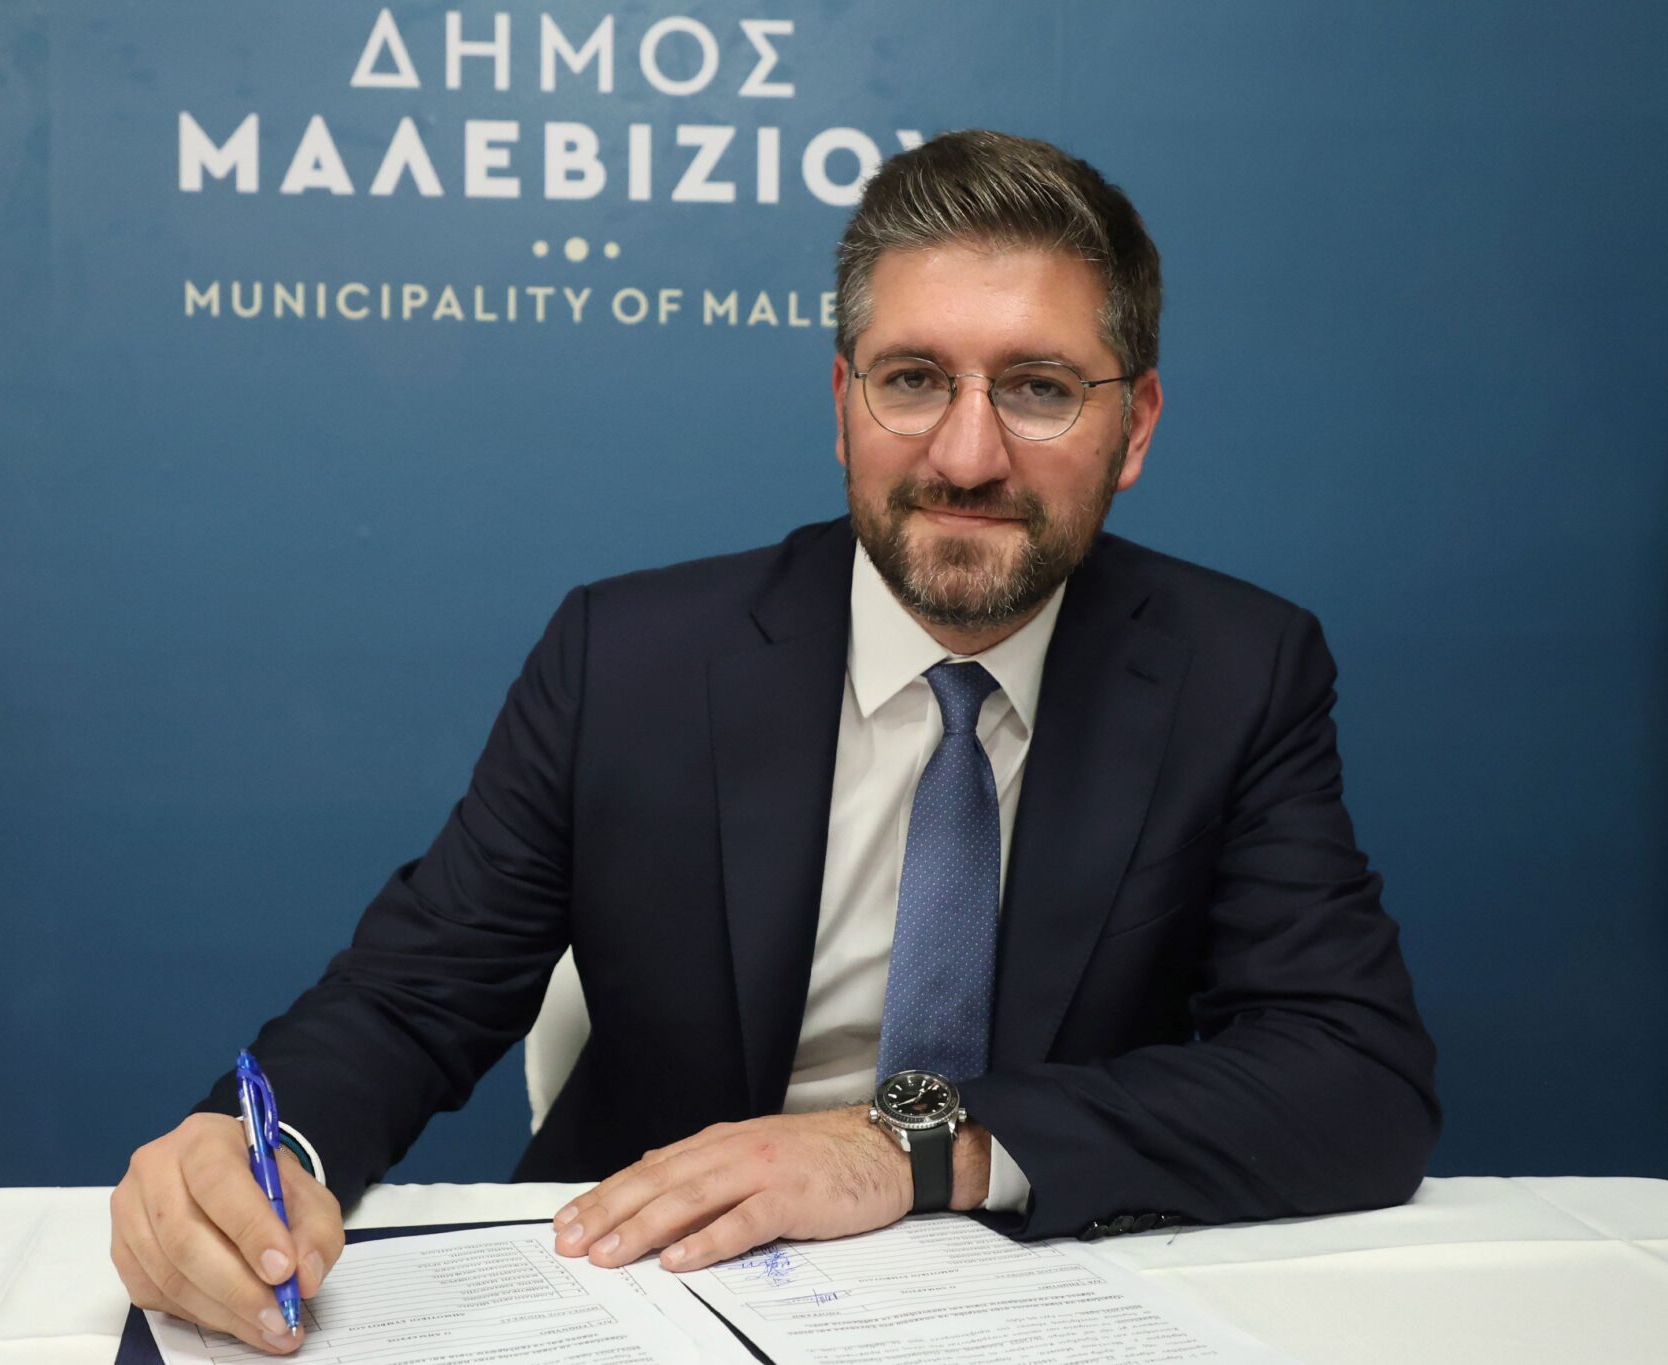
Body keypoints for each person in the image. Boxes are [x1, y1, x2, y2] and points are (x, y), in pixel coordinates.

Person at [108, 129, 1440, 1353]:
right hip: (645, 1294)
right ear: (843, 403)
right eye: (912, 380)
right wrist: (260, 1152)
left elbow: (1354, 1075)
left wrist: (914, 1148)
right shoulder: (627, 658)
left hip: (1037, 1302)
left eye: (1039, 388)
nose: (967, 455)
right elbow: (412, 997)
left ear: (1133, 426)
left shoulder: (1236, 671)